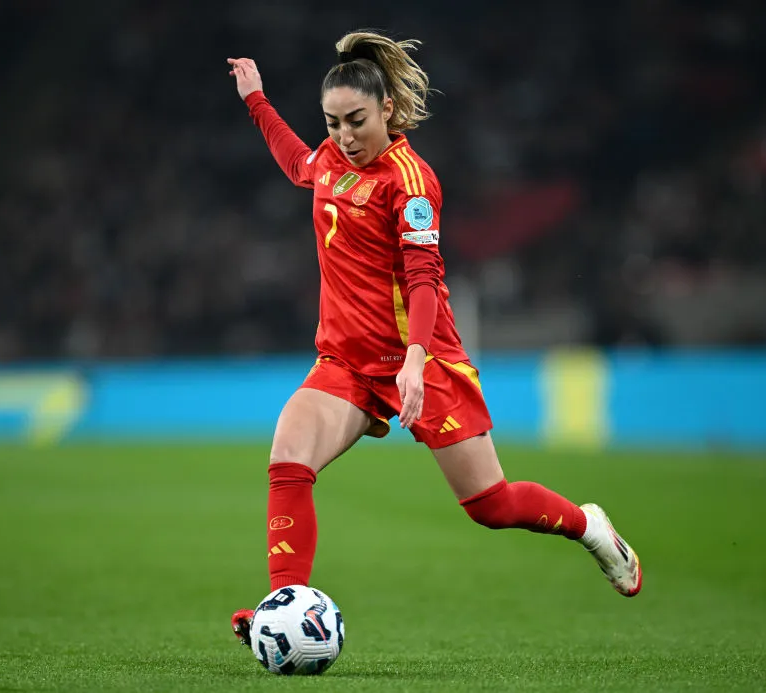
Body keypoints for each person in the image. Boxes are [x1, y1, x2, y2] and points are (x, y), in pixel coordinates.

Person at [226, 31, 641, 647]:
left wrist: (415, 362)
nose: (343, 136)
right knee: (287, 459)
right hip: (345, 361)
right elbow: (297, 163)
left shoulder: (412, 183)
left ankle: (589, 525)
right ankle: (281, 606)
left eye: (356, 121)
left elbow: (424, 280)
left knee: (490, 506)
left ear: (387, 109)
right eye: (333, 122)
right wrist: (257, 100)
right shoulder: (331, 160)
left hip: (423, 359)